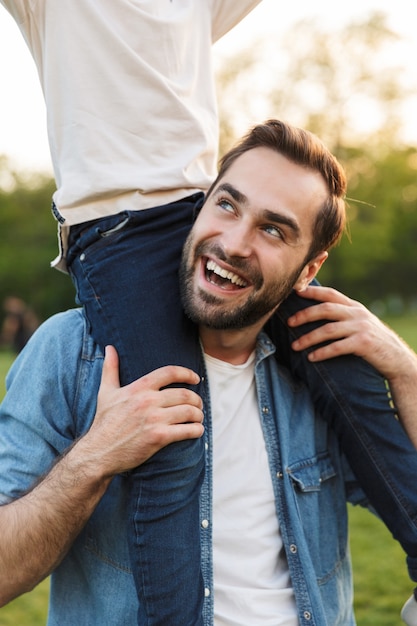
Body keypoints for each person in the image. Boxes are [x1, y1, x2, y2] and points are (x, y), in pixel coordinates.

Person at [1, 120, 417, 625]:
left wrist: (405, 368)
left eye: (272, 229)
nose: (235, 243)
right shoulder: (71, 353)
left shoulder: (323, 376)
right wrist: (93, 460)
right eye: (227, 204)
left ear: (309, 269)